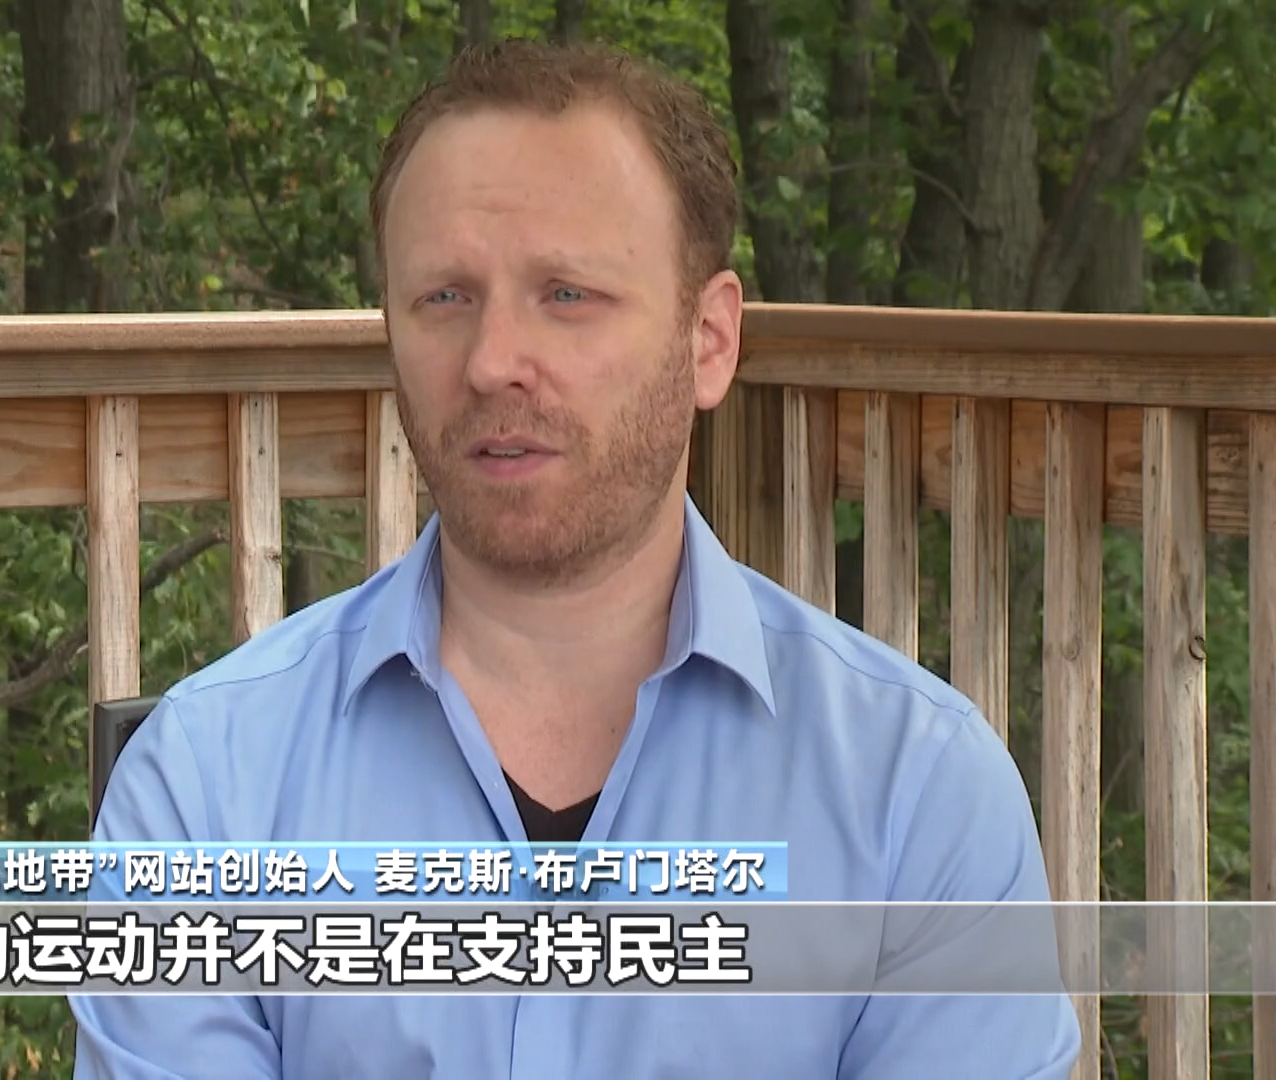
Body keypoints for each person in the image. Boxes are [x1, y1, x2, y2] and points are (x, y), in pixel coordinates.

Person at [72, 38, 1080, 1079]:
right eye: (445, 298)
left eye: (566, 294)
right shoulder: (208, 783)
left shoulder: (914, 790)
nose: (493, 362)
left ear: (708, 341)